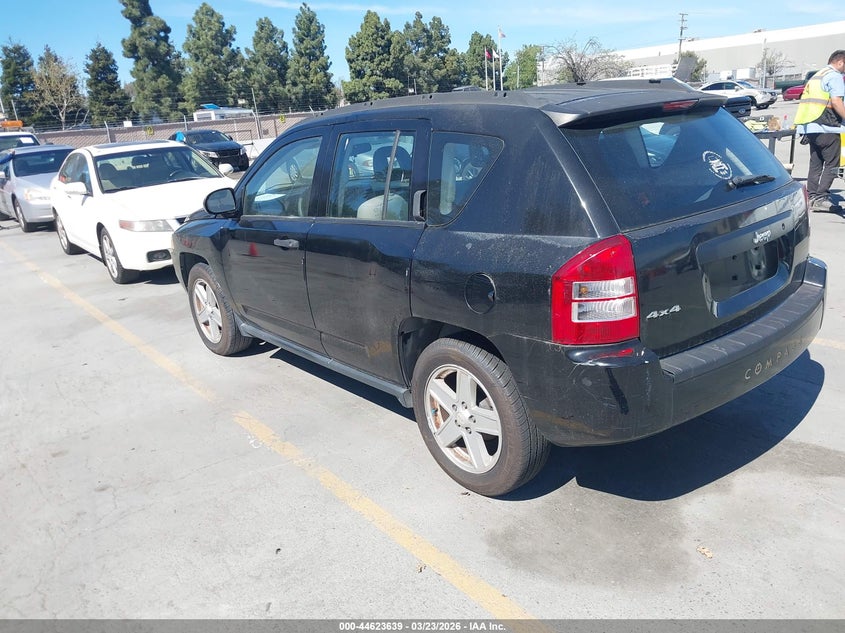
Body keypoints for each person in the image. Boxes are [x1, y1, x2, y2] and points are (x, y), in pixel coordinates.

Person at [794, 50, 845, 212]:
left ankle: (811, 196)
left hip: (811, 127)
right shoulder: (835, 76)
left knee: (816, 163)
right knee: (833, 163)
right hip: (827, 126)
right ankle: (820, 197)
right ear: (840, 62)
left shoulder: (817, 76)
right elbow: (836, 102)